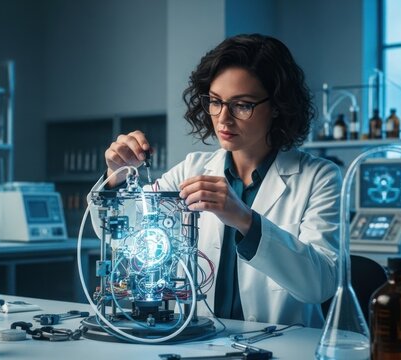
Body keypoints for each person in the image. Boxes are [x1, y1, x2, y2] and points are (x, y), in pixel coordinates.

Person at [101, 33, 340, 327]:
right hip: (201, 343)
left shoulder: (319, 178)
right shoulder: (191, 169)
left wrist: (244, 219)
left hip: (283, 346)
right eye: (215, 101)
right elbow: (122, 237)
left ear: (278, 105)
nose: (223, 119)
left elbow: (320, 286)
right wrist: (117, 176)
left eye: (242, 105)